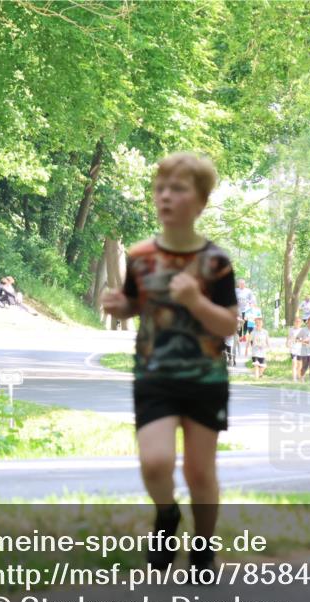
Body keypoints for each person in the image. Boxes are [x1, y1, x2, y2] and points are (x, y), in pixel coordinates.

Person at [101, 152, 237, 578]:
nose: (165, 196)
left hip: (205, 379)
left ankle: (203, 549)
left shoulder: (216, 263)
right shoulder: (141, 256)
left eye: (178, 189)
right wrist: (119, 306)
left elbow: (229, 324)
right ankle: (167, 514)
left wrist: (195, 300)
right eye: (160, 188)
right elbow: (135, 305)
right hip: (154, 375)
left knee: (200, 473)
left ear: (201, 202)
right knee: (155, 462)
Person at [298, 315, 310, 382]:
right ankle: (302, 378)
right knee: (305, 366)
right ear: (308, 322)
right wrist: (302, 341)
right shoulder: (303, 330)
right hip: (304, 352)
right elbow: (297, 338)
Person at [288, 316, 303, 382]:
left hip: (300, 350)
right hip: (293, 349)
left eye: (299, 322)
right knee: (294, 363)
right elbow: (289, 337)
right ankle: (294, 378)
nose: (297, 323)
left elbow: (304, 340)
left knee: (300, 365)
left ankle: (299, 376)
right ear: (294, 322)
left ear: (301, 323)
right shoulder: (291, 329)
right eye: (296, 321)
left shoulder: (302, 330)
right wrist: (287, 343)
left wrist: (299, 340)